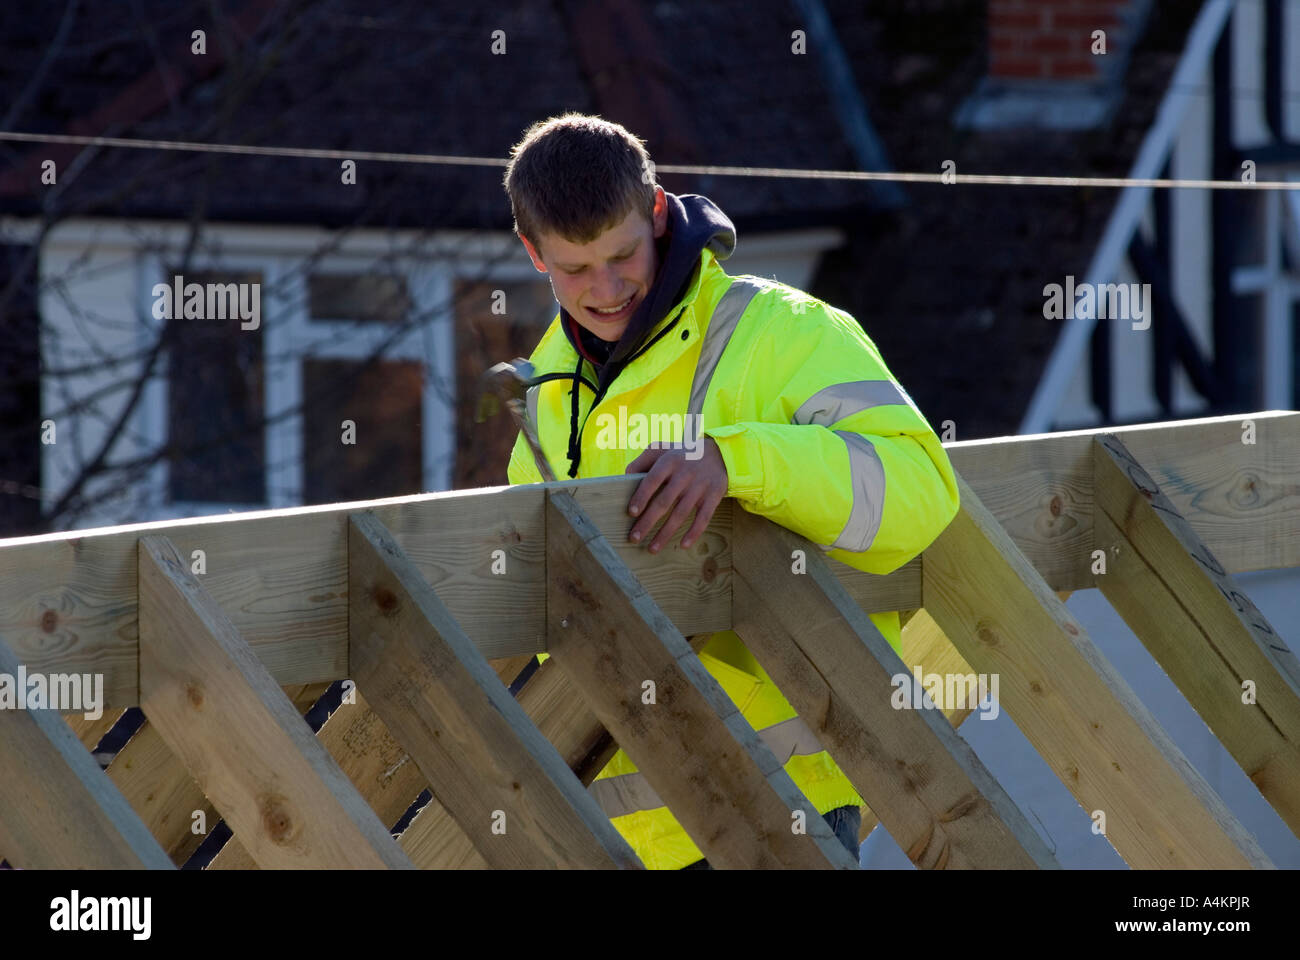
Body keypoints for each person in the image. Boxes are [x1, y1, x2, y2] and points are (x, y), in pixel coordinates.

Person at [502, 113, 960, 869]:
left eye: (621, 255)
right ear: (533, 253)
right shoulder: (545, 386)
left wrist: (736, 462)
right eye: (575, 269)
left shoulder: (782, 331)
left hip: (779, 809)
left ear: (657, 213)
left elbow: (921, 490)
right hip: (611, 834)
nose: (606, 289)